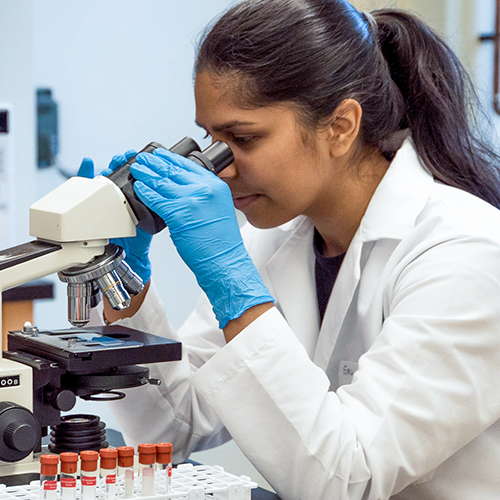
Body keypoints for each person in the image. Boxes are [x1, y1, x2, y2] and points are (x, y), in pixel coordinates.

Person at [81, 0, 500, 498]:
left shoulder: (465, 253)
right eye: (208, 138)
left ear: (341, 126)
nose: (216, 167)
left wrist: (232, 284)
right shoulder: (275, 237)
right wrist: (124, 288)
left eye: (241, 137)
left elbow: (349, 478)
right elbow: (177, 426)